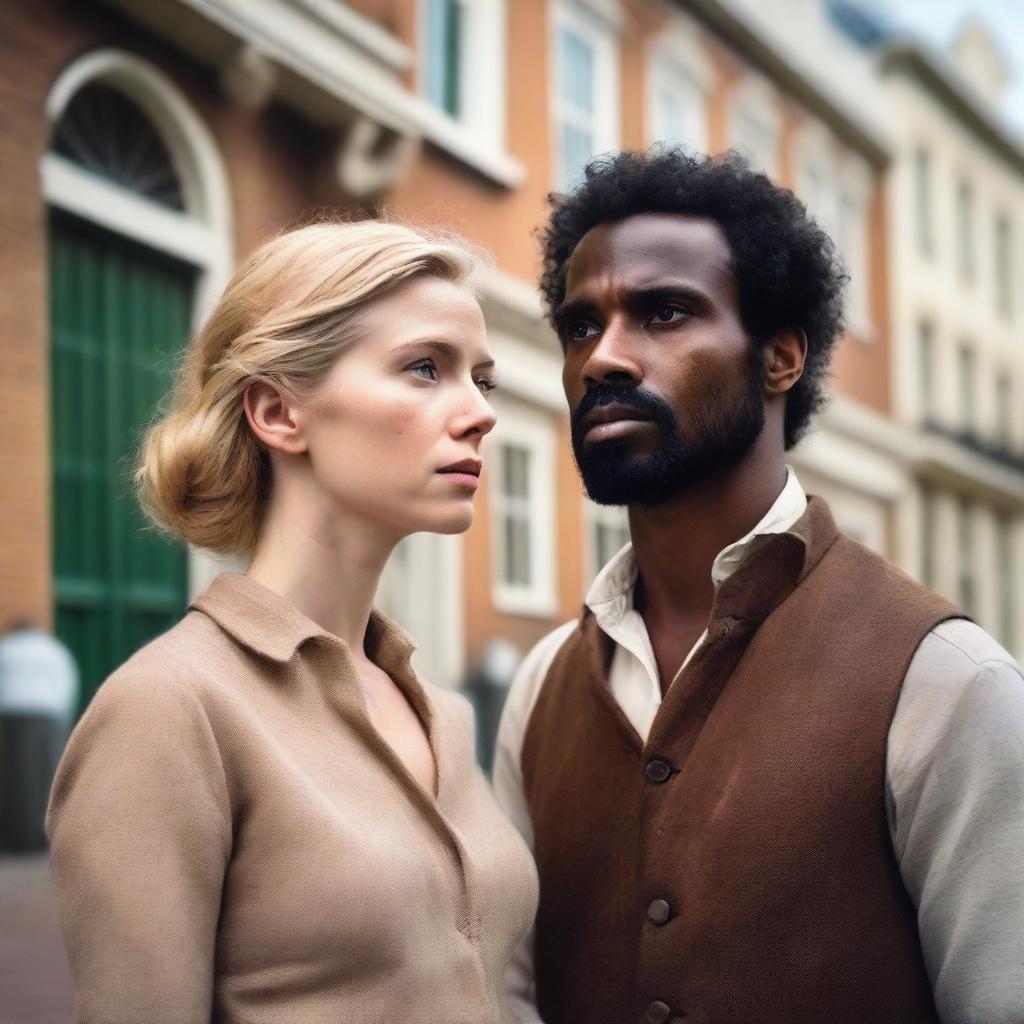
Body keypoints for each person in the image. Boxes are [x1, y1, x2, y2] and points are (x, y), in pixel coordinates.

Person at [493, 149, 1024, 1024]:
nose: (603, 360)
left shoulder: (947, 683)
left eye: (663, 313)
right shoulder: (540, 686)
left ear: (779, 358)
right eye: (581, 327)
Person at [46, 219, 538, 1024]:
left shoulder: (443, 713)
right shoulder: (170, 711)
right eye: (426, 368)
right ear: (279, 413)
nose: (480, 413)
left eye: (482, 379)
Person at [0, 620, 78, 850]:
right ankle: (46, 835)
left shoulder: (8, 647)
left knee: (18, 778)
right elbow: (67, 678)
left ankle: (19, 836)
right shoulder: (53, 649)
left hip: (16, 715)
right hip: (51, 714)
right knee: (49, 775)